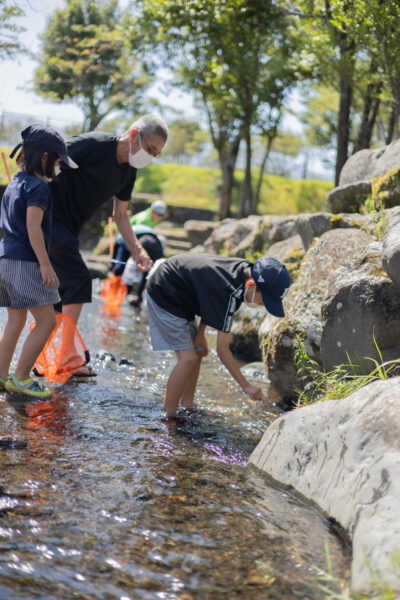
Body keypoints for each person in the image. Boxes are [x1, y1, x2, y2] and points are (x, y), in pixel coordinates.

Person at [48, 114, 168, 376]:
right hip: (47, 216)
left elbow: (121, 215)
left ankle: (43, 353)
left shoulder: (128, 172)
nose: (149, 157)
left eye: (155, 154)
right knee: (79, 280)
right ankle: (66, 356)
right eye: (150, 149)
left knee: (57, 289)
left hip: (70, 227)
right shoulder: (94, 144)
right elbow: (50, 157)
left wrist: (138, 251)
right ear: (134, 135)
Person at [145, 254, 291, 418]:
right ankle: (168, 417)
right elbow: (222, 350)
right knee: (187, 358)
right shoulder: (231, 292)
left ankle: (187, 406)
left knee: (198, 351)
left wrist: (201, 334)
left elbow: (210, 298)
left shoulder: (245, 272)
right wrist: (246, 386)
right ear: (252, 284)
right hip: (165, 290)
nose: (262, 305)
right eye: (264, 301)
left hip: (182, 293)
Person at [0, 124, 78, 397]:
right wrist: (45, 264)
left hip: (5, 259)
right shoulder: (39, 188)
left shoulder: (15, 183)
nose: (58, 168)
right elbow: (33, 227)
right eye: (57, 161)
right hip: (26, 262)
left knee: (15, 321)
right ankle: (21, 377)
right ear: (45, 158)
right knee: (47, 321)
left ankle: (2, 375)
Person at [111, 224, 166, 306]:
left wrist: (112, 266)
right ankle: (139, 297)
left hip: (141, 243)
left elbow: (118, 262)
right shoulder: (129, 233)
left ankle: (114, 292)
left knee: (120, 267)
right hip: (157, 246)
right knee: (148, 271)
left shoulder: (120, 239)